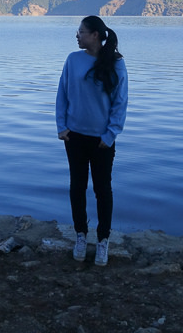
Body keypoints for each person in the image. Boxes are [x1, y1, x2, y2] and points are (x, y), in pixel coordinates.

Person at [55, 15, 128, 266]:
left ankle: (103, 240)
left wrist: (110, 134)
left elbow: (120, 102)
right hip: (74, 136)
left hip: (102, 141)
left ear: (94, 35)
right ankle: (80, 235)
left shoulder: (116, 64)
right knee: (77, 187)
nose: (77, 35)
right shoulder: (73, 60)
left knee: (102, 190)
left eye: (81, 31)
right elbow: (62, 94)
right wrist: (61, 127)